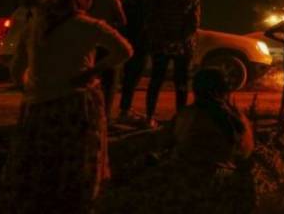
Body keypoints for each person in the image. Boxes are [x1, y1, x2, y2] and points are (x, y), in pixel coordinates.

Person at [1, 0, 132, 214]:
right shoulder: (89, 26)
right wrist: (93, 71)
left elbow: (17, 65)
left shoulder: (36, 25)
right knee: (75, 161)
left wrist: (28, 87)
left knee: (39, 161)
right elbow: (125, 50)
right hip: (77, 102)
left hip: (39, 104)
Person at [97, 69, 255, 213]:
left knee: (121, 193)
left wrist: (115, 145)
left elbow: (160, 140)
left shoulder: (193, 114)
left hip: (191, 182)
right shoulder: (239, 120)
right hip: (227, 185)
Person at [144, 0, 200, 128]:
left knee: (163, 81)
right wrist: (175, 39)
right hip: (177, 45)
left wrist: (168, 38)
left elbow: (151, 17)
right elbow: (194, 22)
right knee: (175, 82)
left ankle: (154, 117)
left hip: (171, 44)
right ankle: (174, 118)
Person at [88, 0, 127, 121]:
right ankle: (105, 116)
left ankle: (89, 114)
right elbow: (123, 21)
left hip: (89, 45)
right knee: (110, 83)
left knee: (89, 81)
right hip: (107, 45)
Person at [117, 0, 154, 124]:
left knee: (128, 78)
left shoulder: (126, 3)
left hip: (128, 43)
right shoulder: (145, 5)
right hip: (141, 46)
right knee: (133, 78)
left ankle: (125, 108)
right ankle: (125, 110)